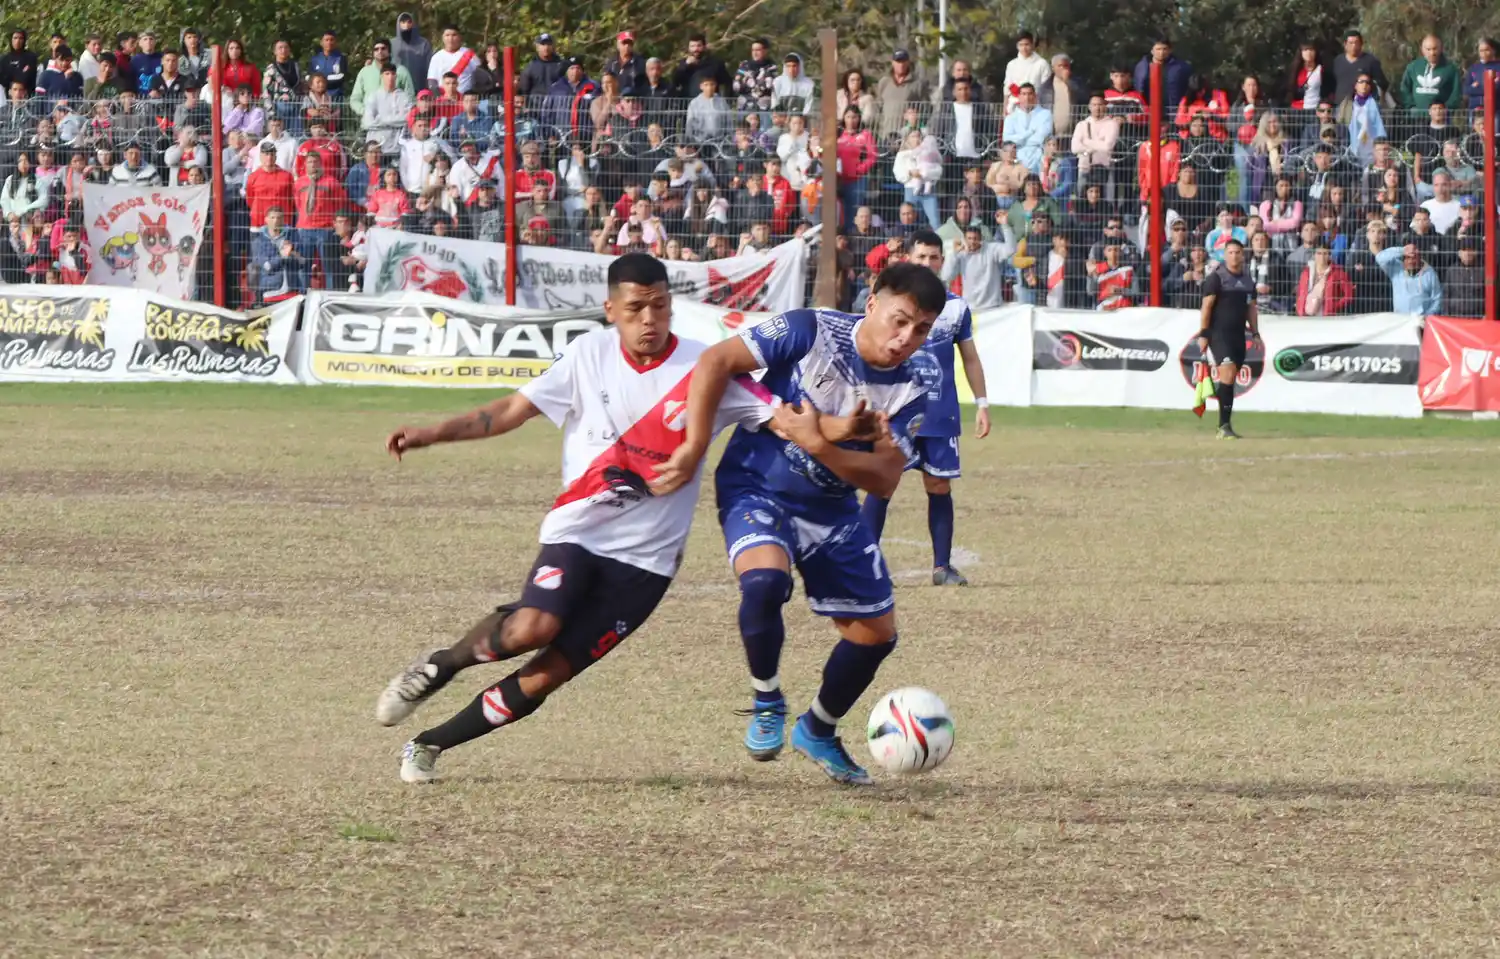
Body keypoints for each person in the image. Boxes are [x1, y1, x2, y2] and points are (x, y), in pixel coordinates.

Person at [373, 255, 781, 784]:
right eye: (636, 308)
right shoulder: (587, 355)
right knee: (532, 628)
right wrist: (432, 434)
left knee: (546, 675)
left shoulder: (707, 368)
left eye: (660, 306)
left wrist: (841, 430)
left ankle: (429, 744)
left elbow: (782, 417)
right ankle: (443, 664)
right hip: (580, 535)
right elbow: (512, 410)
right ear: (611, 310)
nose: (650, 319)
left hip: (648, 563)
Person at [651, 263, 947, 785]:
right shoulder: (809, 329)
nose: (906, 338)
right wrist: (696, 444)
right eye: (899, 320)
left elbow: (883, 479)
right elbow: (717, 361)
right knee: (765, 581)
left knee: (876, 635)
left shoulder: (919, 379)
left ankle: (818, 729)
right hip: (755, 483)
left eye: (921, 329)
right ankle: (767, 699)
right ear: (872, 302)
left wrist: (817, 442)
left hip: (832, 506)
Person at [859, 230, 990, 585]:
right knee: (881, 484)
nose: (928, 263)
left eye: (934, 257)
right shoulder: (892, 305)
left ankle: (941, 568)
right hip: (895, 410)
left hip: (939, 414)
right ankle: (864, 565)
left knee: (939, 485)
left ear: (942, 261)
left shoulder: (956, 308)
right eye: (921, 257)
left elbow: (970, 358)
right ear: (909, 259)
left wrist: (982, 402)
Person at [1195, 239, 1259, 440]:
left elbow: (1251, 308)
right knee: (1228, 373)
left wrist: (1255, 333)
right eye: (1230, 252)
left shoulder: (1248, 281)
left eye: (1237, 252)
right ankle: (1223, 426)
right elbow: (1206, 306)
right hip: (1219, 334)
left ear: (1243, 255)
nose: (1234, 256)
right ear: (1224, 255)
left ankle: (1225, 423)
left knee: (1229, 380)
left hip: (1238, 335)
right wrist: (1204, 333)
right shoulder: (1216, 278)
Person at [391, 13, 433, 91]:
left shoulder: (423, 43)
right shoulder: (392, 44)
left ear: (413, 24)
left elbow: (430, 66)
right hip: (397, 89)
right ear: (398, 24)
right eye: (403, 22)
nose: (406, 25)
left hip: (420, 88)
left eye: (409, 22)